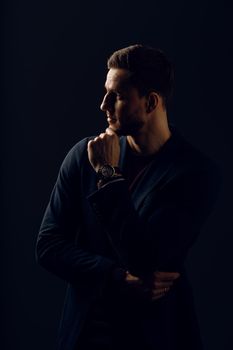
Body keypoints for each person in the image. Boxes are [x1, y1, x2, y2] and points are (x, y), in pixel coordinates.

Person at [36, 44, 221, 350]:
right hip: (84, 338)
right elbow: (48, 246)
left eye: (117, 96)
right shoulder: (83, 156)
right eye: (106, 92)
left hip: (153, 339)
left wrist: (108, 175)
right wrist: (113, 276)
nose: (102, 105)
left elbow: (147, 262)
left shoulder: (196, 174)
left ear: (150, 102)